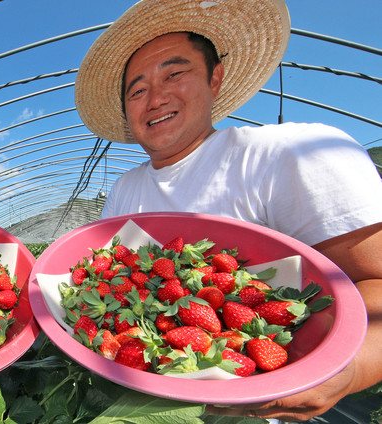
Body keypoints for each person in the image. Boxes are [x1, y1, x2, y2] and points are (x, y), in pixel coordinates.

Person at [74, 0, 382, 422]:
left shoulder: (287, 154)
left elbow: (375, 280)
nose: (156, 98)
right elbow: (107, 282)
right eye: (137, 91)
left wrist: (348, 373)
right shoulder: (124, 188)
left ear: (215, 78)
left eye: (174, 74)